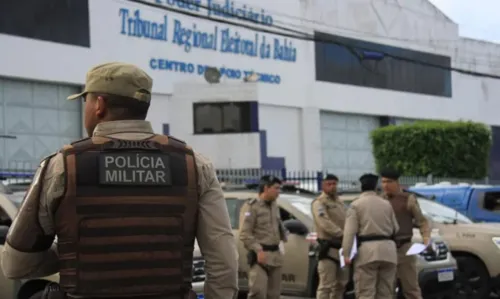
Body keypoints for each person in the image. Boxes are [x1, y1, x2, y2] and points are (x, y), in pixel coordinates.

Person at [0, 62, 239, 299]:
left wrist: (73, 253)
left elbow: (15, 264)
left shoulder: (62, 165)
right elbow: (223, 262)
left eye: (87, 101)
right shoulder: (195, 165)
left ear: (99, 105)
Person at [342, 173, 399, 299]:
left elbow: (349, 232)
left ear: (361, 187)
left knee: (365, 293)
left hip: (367, 253)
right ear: (375, 187)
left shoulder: (356, 205)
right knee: (386, 293)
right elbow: (396, 228)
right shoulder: (386, 204)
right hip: (389, 252)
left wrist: (346, 254)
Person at [380, 168, 430, 299]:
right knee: (386, 289)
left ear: (397, 183)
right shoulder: (379, 200)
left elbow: (422, 221)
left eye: (389, 182)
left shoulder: (408, 199)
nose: (385, 185)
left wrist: (426, 239)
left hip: (404, 248)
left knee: (411, 288)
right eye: (383, 181)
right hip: (386, 248)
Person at [239, 175, 288, 299]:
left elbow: (278, 227)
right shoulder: (252, 206)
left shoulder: (274, 206)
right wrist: (258, 250)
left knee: (274, 295)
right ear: (266, 188)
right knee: (258, 293)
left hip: (275, 256)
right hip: (260, 256)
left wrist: (282, 242)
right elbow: (245, 233)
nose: (278, 192)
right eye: (276, 188)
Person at [311, 174, 349, 299]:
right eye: (329, 184)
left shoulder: (340, 202)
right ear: (323, 185)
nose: (333, 187)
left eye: (334, 184)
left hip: (342, 249)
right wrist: (343, 234)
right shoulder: (319, 203)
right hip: (328, 248)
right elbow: (324, 223)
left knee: (341, 284)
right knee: (326, 285)